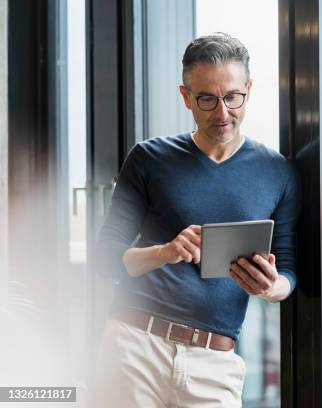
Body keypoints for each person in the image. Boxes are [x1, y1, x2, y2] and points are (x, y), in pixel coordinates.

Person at [93, 33, 299, 407]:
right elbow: (105, 258)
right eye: (206, 99)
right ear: (186, 96)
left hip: (215, 363)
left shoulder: (278, 172)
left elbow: (288, 273)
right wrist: (165, 252)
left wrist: (271, 287)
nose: (222, 113)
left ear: (248, 90)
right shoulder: (149, 158)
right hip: (134, 347)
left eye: (232, 96)